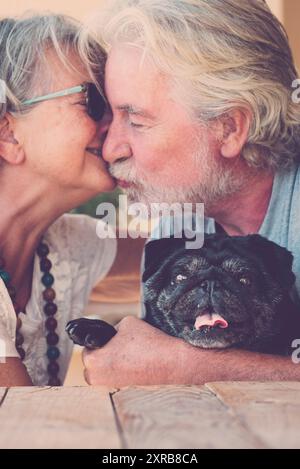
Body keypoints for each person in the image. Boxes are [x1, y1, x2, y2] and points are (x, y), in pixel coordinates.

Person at [82, 0, 300, 386]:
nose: (112, 147)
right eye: (110, 116)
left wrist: (192, 368)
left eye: (135, 120)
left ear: (230, 127)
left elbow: (170, 365)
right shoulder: (180, 220)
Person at [0, 13, 128, 387]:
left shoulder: (64, 246)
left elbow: (194, 250)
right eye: (93, 101)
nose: (116, 124)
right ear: (7, 132)